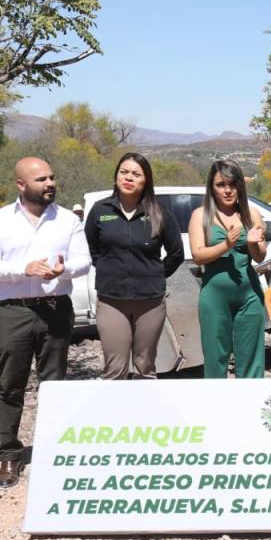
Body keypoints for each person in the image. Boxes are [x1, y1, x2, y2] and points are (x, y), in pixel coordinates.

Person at [0, 157, 91, 487]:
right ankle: (8, 456)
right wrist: (20, 270)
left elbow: (84, 261)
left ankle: (55, 453)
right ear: (21, 185)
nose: (50, 183)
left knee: (55, 383)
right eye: (41, 179)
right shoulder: (1, 221)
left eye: (52, 177)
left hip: (55, 308)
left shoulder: (67, 219)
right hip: (12, 311)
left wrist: (61, 270)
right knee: (9, 385)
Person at [85, 153, 184, 379]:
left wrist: (156, 274)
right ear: (116, 177)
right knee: (115, 368)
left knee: (145, 365)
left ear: (145, 180)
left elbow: (176, 252)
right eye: (124, 172)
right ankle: (114, 414)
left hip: (149, 301)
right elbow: (91, 249)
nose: (128, 177)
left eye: (136, 174)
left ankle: (145, 414)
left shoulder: (158, 211)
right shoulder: (101, 210)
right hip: (111, 301)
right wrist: (110, 270)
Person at [187, 160, 267, 379]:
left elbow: (260, 256)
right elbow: (198, 255)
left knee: (252, 360)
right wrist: (226, 245)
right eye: (221, 184)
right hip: (214, 296)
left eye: (233, 184)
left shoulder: (252, 214)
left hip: (249, 295)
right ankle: (216, 410)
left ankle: (250, 407)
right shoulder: (200, 215)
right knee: (215, 360)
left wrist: (252, 243)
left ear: (240, 185)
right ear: (211, 187)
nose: (228, 190)